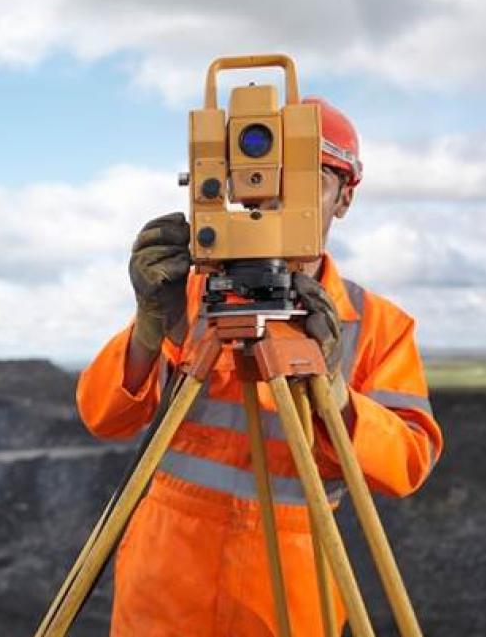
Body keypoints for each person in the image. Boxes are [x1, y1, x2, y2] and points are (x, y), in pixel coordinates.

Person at [76, 97, 443, 637]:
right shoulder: (188, 296)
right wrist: (150, 328)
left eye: (305, 180)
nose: (276, 201)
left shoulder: (375, 324)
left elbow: (407, 463)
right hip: (164, 589)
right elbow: (104, 417)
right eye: (265, 180)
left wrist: (333, 387)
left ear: (345, 197)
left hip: (289, 598)